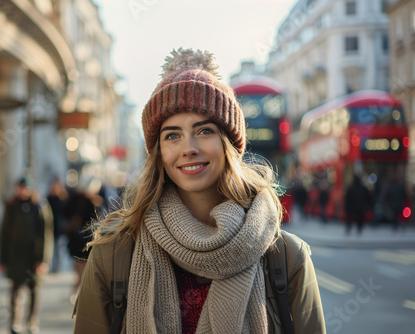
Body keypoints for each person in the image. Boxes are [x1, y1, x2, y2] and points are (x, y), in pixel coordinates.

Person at [73, 48, 325, 333]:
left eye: (204, 131)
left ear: (228, 143)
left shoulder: (287, 257)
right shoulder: (113, 254)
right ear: (158, 152)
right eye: (172, 135)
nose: (188, 148)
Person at [0, 177, 53, 334]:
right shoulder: (11, 207)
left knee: (33, 290)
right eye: (20, 187)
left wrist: (43, 260)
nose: (22, 191)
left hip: (33, 257)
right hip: (15, 257)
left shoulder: (39, 206)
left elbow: (46, 235)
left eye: (25, 188)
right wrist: (2, 260)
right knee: (15, 291)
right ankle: (14, 322)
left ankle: (32, 322)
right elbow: (4, 235)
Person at [46, 176, 69, 273]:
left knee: (58, 249)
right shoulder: (48, 198)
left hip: (60, 228)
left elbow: (65, 213)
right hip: (50, 227)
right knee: (51, 248)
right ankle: (51, 267)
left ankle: (57, 268)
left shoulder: (63, 198)